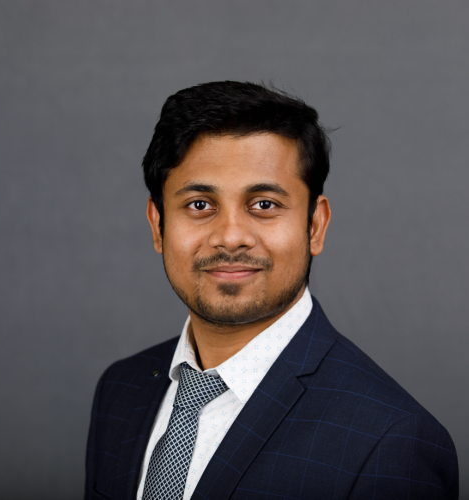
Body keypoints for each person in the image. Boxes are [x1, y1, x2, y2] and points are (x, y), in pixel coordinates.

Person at [84, 81, 458, 500]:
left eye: (264, 204)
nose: (230, 237)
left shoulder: (392, 442)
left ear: (314, 227)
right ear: (158, 225)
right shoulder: (122, 389)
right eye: (200, 205)